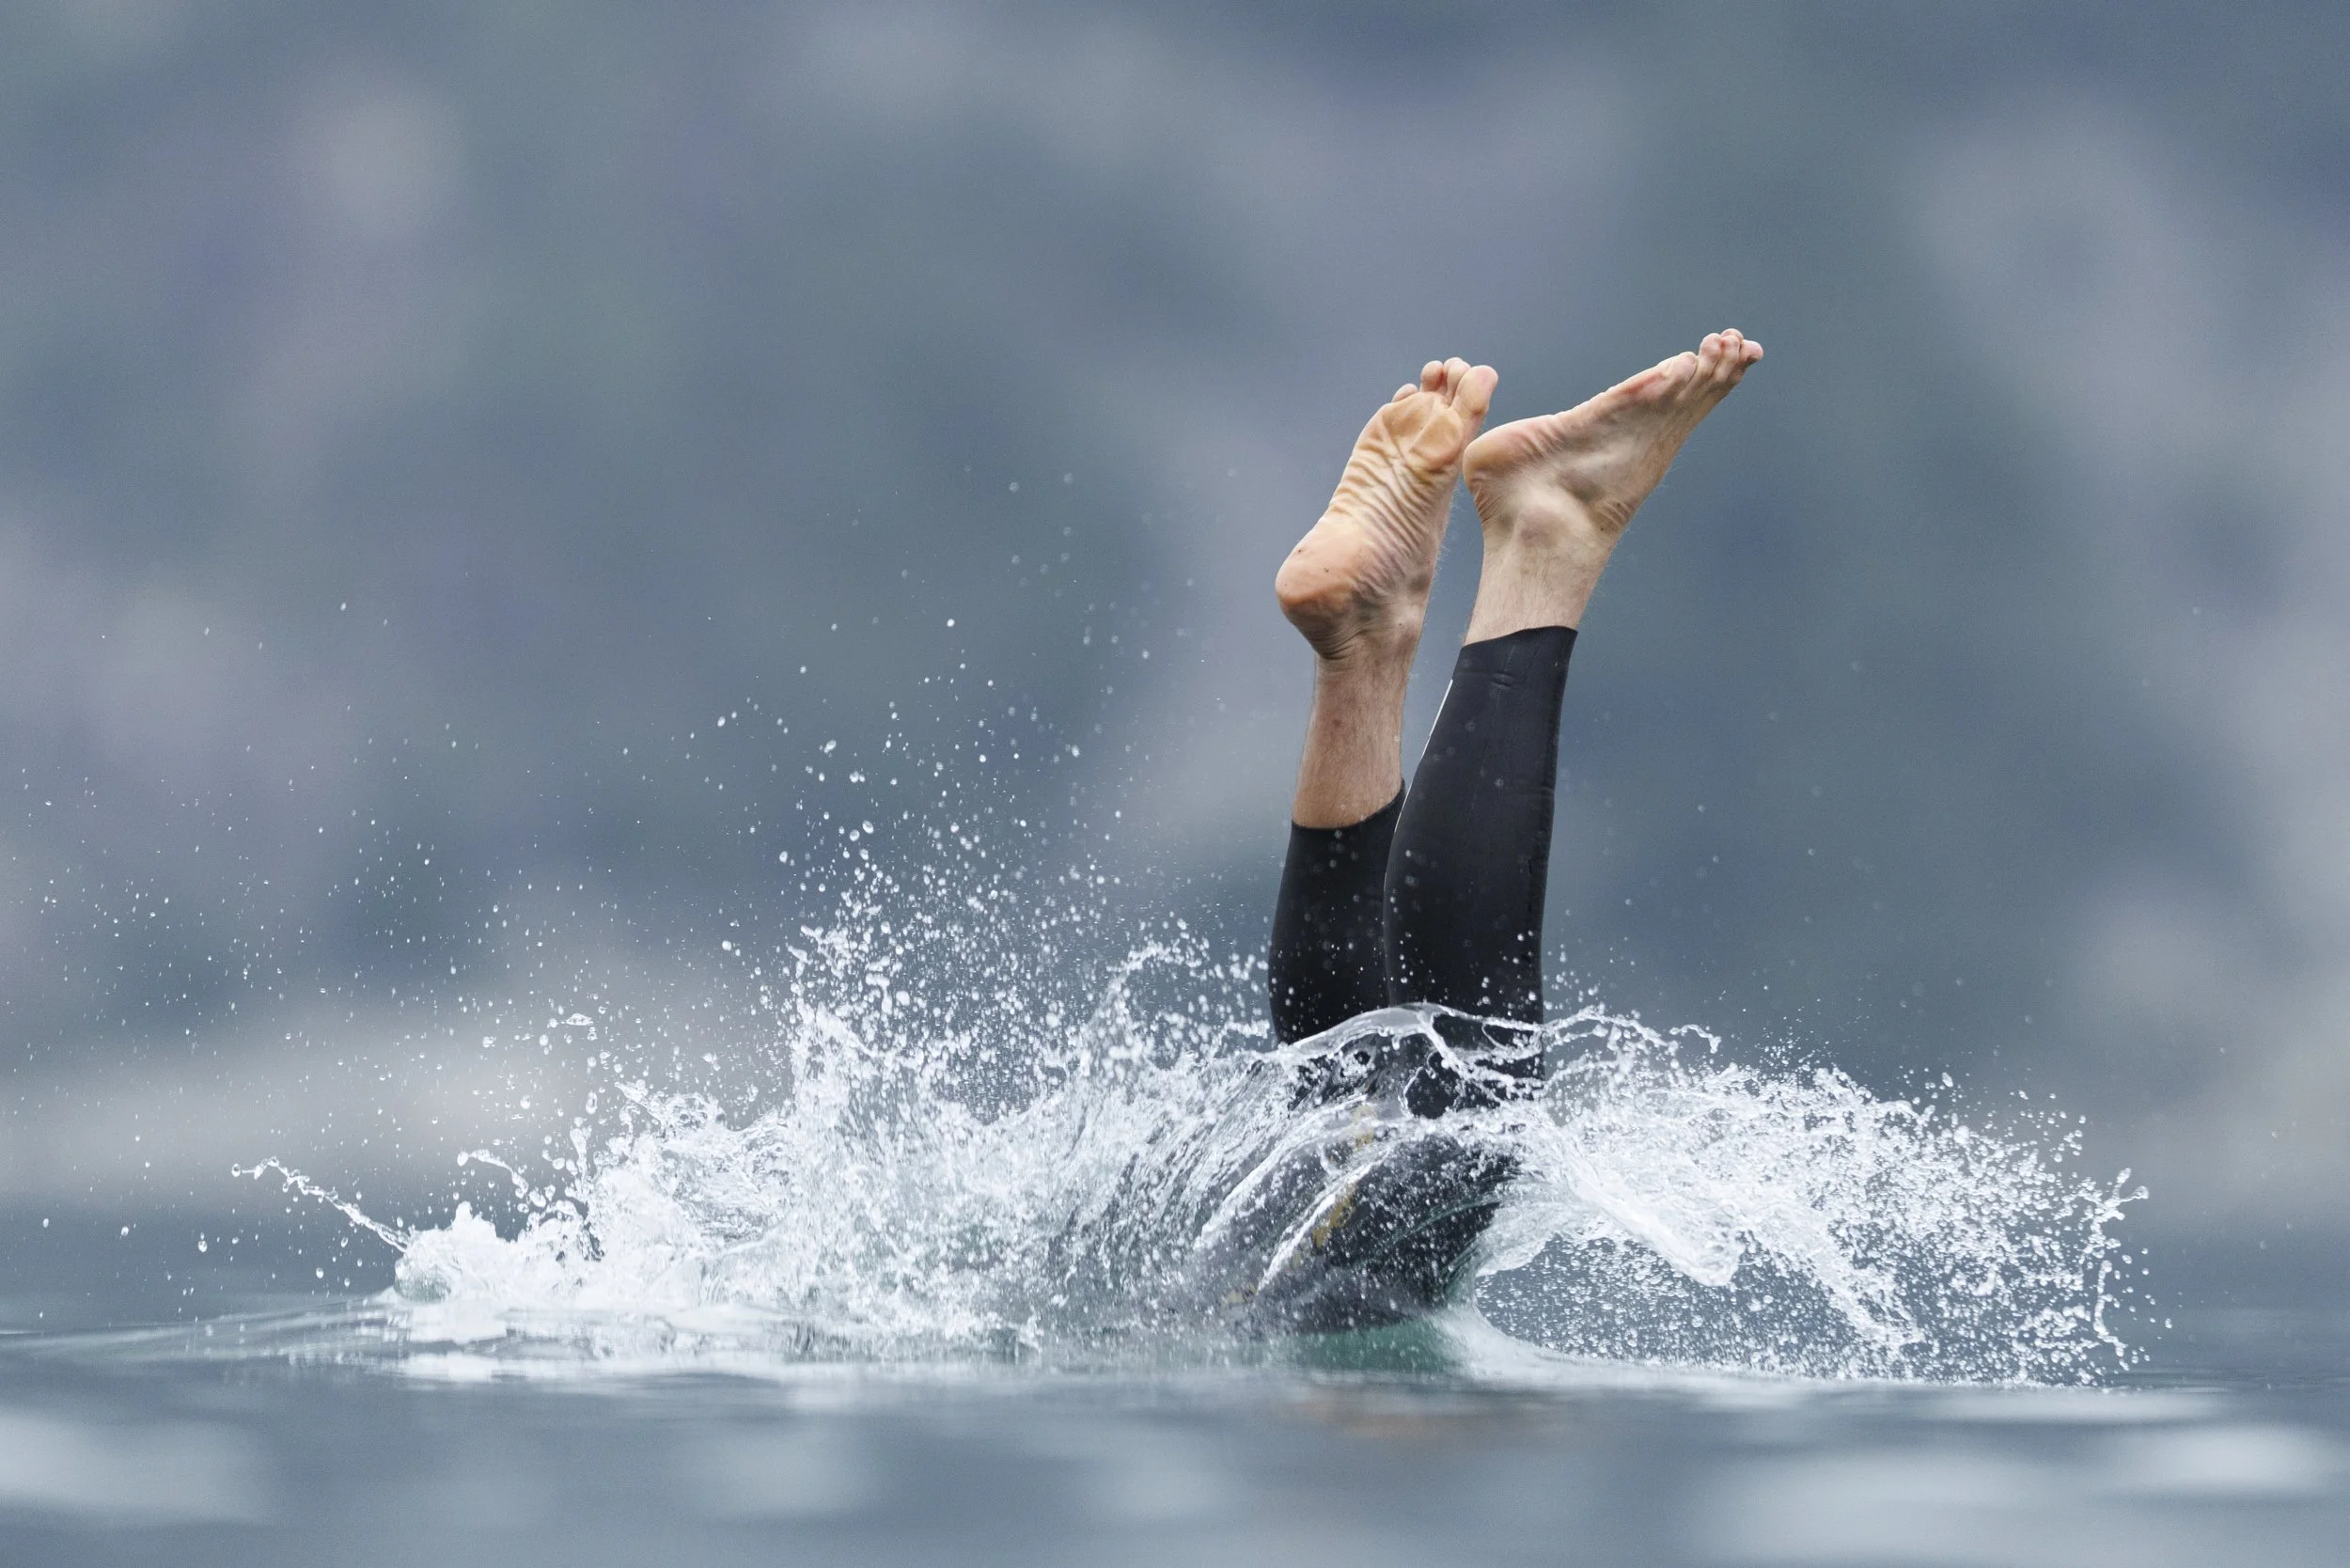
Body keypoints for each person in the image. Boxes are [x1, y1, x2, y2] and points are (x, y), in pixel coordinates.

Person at [1226, 332, 1763, 1332]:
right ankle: (1402, 621)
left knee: (1427, 1136)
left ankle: (1504, 557)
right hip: (1199, 1311)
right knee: (1356, 1137)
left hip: (1206, 1328)